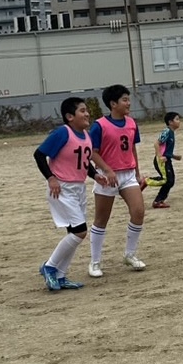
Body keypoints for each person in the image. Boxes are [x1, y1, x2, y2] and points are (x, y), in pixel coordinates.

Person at [33, 97, 116, 291]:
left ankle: (60, 276)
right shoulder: (63, 133)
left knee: (74, 233)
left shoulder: (86, 135)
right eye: (82, 111)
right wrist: (51, 178)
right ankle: (49, 266)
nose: (87, 114)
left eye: (86, 110)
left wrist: (95, 175)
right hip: (62, 188)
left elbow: (84, 162)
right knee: (80, 232)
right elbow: (39, 154)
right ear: (70, 116)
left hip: (78, 188)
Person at [88, 84, 145, 278]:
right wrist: (107, 170)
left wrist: (137, 172)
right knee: (101, 219)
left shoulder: (131, 123)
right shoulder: (99, 125)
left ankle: (130, 254)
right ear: (113, 104)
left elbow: (132, 148)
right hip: (107, 177)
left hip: (128, 174)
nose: (129, 103)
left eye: (128, 99)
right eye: (124, 100)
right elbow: (92, 153)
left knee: (138, 212)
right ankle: (95, 262)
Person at [140, 112, 182, 208]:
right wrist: (160, 157)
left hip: (167, 160)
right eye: (177, 119)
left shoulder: (171, 133)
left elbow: (166, 150)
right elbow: (156, 143)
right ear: (170, 122)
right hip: (161, 161)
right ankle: (146, 181)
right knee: (166, 180)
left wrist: (175, 156)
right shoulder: (167, 131)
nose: (179, 121)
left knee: (170, 181)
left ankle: (159, 201)